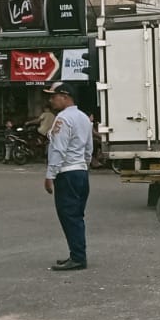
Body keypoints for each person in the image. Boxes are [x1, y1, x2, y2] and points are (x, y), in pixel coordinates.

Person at [42, 83, 92, 271]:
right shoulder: (84, 118)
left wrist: (50, 175)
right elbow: (89, 148)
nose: (51, 100)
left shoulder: (62, 119)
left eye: (53, 96)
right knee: (77, 215)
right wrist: (84, 166)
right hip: (81, 172)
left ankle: (78, 257)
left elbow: (58, 149)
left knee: (69, 216)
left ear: (64, 96)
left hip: (67, 173)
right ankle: (76, 254)